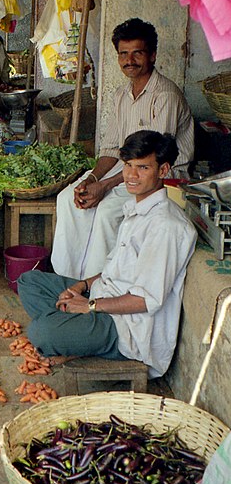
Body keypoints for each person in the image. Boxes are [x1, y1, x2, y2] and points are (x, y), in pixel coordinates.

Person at [18, 130, 197, 379]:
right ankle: (73, 332)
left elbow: (147, 300)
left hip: (126, 327)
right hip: (104, 295)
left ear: (163, 170)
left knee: (40, 332)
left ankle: (73, 335)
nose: (131, 176)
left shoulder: (167, 226)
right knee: (29, 281)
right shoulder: (136, 210)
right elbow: (117, 269)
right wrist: (82, 285)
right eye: (128, 166)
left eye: (143, 168)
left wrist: (90, 306)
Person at [51, 18, 195, 281]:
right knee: (68, 199)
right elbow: (110, 150)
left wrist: (106, 187)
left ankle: (96, 287)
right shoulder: (121, 95)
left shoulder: (165, 96)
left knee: (106, 212)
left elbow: (152, 160)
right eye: (123, 54)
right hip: (129, 169)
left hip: (161, 176)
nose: (129, 60)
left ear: (152, 55)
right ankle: (67, 279)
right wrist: (93, 179)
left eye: (137, 53)